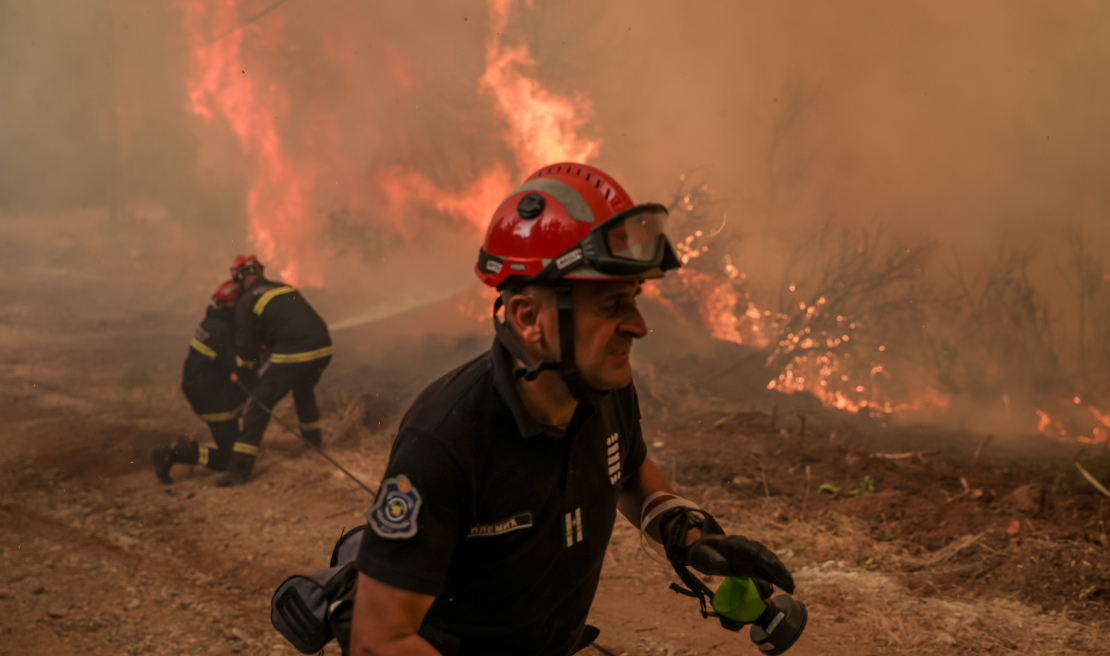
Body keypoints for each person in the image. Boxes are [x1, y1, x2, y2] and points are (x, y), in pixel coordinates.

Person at [350, 163, 795, 656]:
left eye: (634, 299)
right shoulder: (445, 438)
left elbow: (625, 471)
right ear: (529, 319)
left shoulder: (605, 387)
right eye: (610, 305)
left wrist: (687, 536)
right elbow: (379, 639)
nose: (639, 326)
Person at [216, 255, 333, 486]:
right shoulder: (284, 288)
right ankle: (313, 444)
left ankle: (239, 470)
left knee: (258, 406)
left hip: (295, 354)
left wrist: (244, 371)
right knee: (303, 392)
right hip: (323, 349)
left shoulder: (247, 302)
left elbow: (247, 350)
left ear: (238, 277)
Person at [151, 280, 251, 484]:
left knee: (236, 451)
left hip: (206, 393)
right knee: (233, 460)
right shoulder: (222, 330)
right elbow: (239, 363)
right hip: (214, 399)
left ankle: (178, 452)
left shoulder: (212, 323)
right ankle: (177, 452)